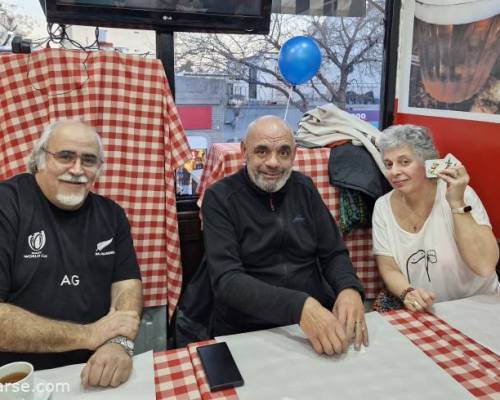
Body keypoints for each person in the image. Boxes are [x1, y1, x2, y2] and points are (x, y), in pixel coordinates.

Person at [202, 115, 368, 355]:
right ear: (244, 151)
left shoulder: (305, 188)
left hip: (314, 320)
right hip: (247, 326)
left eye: (283, 152)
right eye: (262, 151)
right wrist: (299, 307)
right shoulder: (219, 198)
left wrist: (349, 288)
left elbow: (333, 252)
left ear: (294, 154)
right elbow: (227, 281)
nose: (273, 162)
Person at [0, 120, 143, 388]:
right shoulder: (8, 204)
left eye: (88, 160)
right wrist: (89, 335)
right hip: (19, 379)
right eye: (65, 156)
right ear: (40, 159)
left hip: (94, 372)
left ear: (98, 169)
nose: (77, 170)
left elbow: (127, 287)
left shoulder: (111, 215)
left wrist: (118, 343)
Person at [372, 124, 499, 312]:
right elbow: (389, 268)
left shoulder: (459, 194)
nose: (394, 172)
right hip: (431, 311)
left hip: (480, 305)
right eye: (389, 164)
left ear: (427, 163)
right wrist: (408, 293)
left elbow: (485, 266)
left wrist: (456, 203)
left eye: (404, 162)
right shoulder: (382, 206)